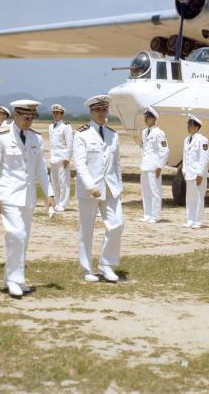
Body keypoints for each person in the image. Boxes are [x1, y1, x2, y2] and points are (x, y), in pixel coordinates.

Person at [0, 100, 52, 298]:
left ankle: (11, 279)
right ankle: (15, 279)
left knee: (23, 239)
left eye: (32, 117)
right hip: (7, 195)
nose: (29, 121)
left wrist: (50, 193)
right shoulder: (1, 136)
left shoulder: (35, 138)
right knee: (17, 235)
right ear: (15, 115)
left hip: (28, 196)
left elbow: (41, 168)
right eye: (25, 117)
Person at [72, 95, 123, 283]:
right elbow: (80, 164)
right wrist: (90, 186)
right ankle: (86, 269)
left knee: (117, 224)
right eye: (98, 110)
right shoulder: (81, 134)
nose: (102, 113)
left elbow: (116, 164)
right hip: (89, 189)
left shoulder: (113, 134)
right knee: (86, 230)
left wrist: (119, 186)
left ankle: (105, 264)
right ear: (91, 112)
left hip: (110, 188)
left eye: (104, 109)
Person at [139, 107, 169, 224]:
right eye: (145, 117)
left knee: (155, 191)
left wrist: (160, 166)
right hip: (145, 166)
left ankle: (155, 215)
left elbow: (165, 150)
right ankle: (147, 214)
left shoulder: (159, 133)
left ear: (153, 118)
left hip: (154, 167)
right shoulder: (144, 132)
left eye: (148, 117)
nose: (145, 119)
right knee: (145, 191)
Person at [182, 114, 209, 229]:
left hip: (198, 174)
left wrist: (200, 174)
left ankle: (198, 221)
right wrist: (184, 170)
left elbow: (204, 157)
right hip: (189, 173)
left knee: (198, 197)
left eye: (190, 125)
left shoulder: (202, 140)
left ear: (196, 127)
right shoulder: (186, 140)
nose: (188, 127)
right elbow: (185, 156)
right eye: (188, 124)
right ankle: (190, 219)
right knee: (189, 197)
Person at [47, 103, 73, 217]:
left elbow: (70, 143)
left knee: (64, 182)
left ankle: (63, 203)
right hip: (53, 158)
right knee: (54, 182)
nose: (55, 115)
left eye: (58, 113)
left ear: (62, 114)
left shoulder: (66, 126)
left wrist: (67, 158)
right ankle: (57, 202)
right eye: (54, 113)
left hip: (62, 158)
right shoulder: (51, 126)